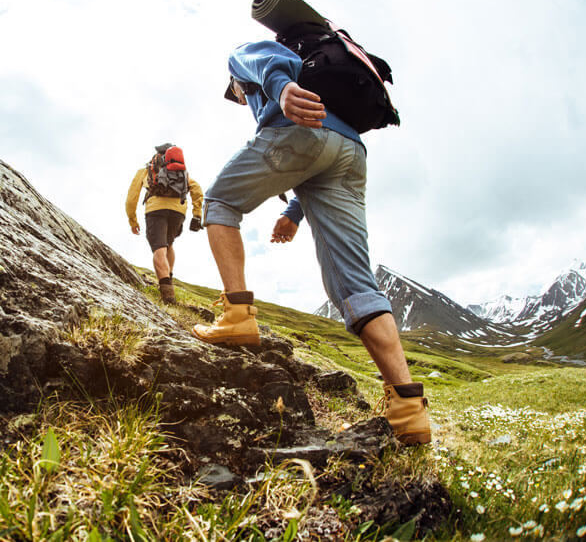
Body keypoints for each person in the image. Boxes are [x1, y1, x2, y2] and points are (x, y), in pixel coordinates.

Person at [191, 41, 430, 445]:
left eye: (234, 95)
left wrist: (281, 90)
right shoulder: (329, 89)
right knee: (356, 285)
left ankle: (236, 317)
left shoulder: (241, 62)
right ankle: (409, 410)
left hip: (300, 132)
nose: (237, 98)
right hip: (350, 151)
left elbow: (269, 59)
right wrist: (293, 213)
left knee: (219, 202)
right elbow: (319, 160)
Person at [126, 144, 203, 304]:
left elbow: (132, 197)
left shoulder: (146, 171)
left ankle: (168, 296)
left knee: (159, 249)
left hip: (156, 210)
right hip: (178, 211)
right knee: (168, 244)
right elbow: (197, 190)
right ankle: (168, 278)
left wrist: (132, 219)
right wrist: (197, 214)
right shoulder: (182, 172)